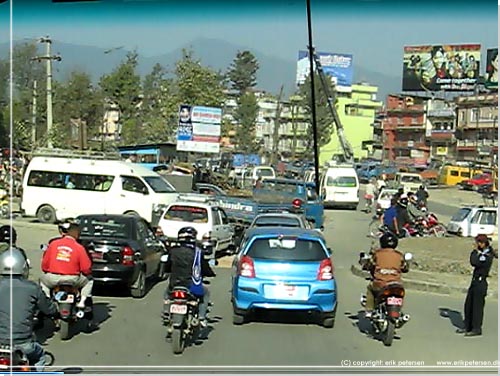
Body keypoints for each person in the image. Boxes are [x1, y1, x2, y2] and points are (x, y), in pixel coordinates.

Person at [0, 247, 58, 371]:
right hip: (23, 343)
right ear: (24, 266)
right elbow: (49, 309)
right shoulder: (32, 288)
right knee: (40, 357)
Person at [164, 227, 215, 328]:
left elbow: (167, 266)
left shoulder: (173, 251)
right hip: (191, 285)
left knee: (167, 293)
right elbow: (205, 267)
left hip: (174, 284)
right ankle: (201, 317)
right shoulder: (197, 253)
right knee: (206, 294)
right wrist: (210, 274)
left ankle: (166, 311)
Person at [40, 218, 93, 309]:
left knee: (43, 282)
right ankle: (82, 302)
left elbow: (44, 266)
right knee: (89, 281)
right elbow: (86, 268)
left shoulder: (53, 244)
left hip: (53, 278)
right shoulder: (79, 247)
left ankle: (47, 300)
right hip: (73, 279)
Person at [456, 234, 498, 337]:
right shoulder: (482, 253)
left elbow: (474, 262)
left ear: (483, 243)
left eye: (479, 243)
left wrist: (474, 251)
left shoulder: (487, 255)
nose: (477, 245)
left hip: (481, 283)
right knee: (469, 304)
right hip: (474, 282)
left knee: (477, 307)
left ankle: (476, 328)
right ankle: (467, 326)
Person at [362, 233, 409, 318]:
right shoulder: (399, 255)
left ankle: (369, 310)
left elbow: (370, 265)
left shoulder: (377, 254)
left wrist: (366, 266)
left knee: (370, 289)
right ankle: (399, 311)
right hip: (396, 283)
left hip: (380, 283)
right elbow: (405, 267)